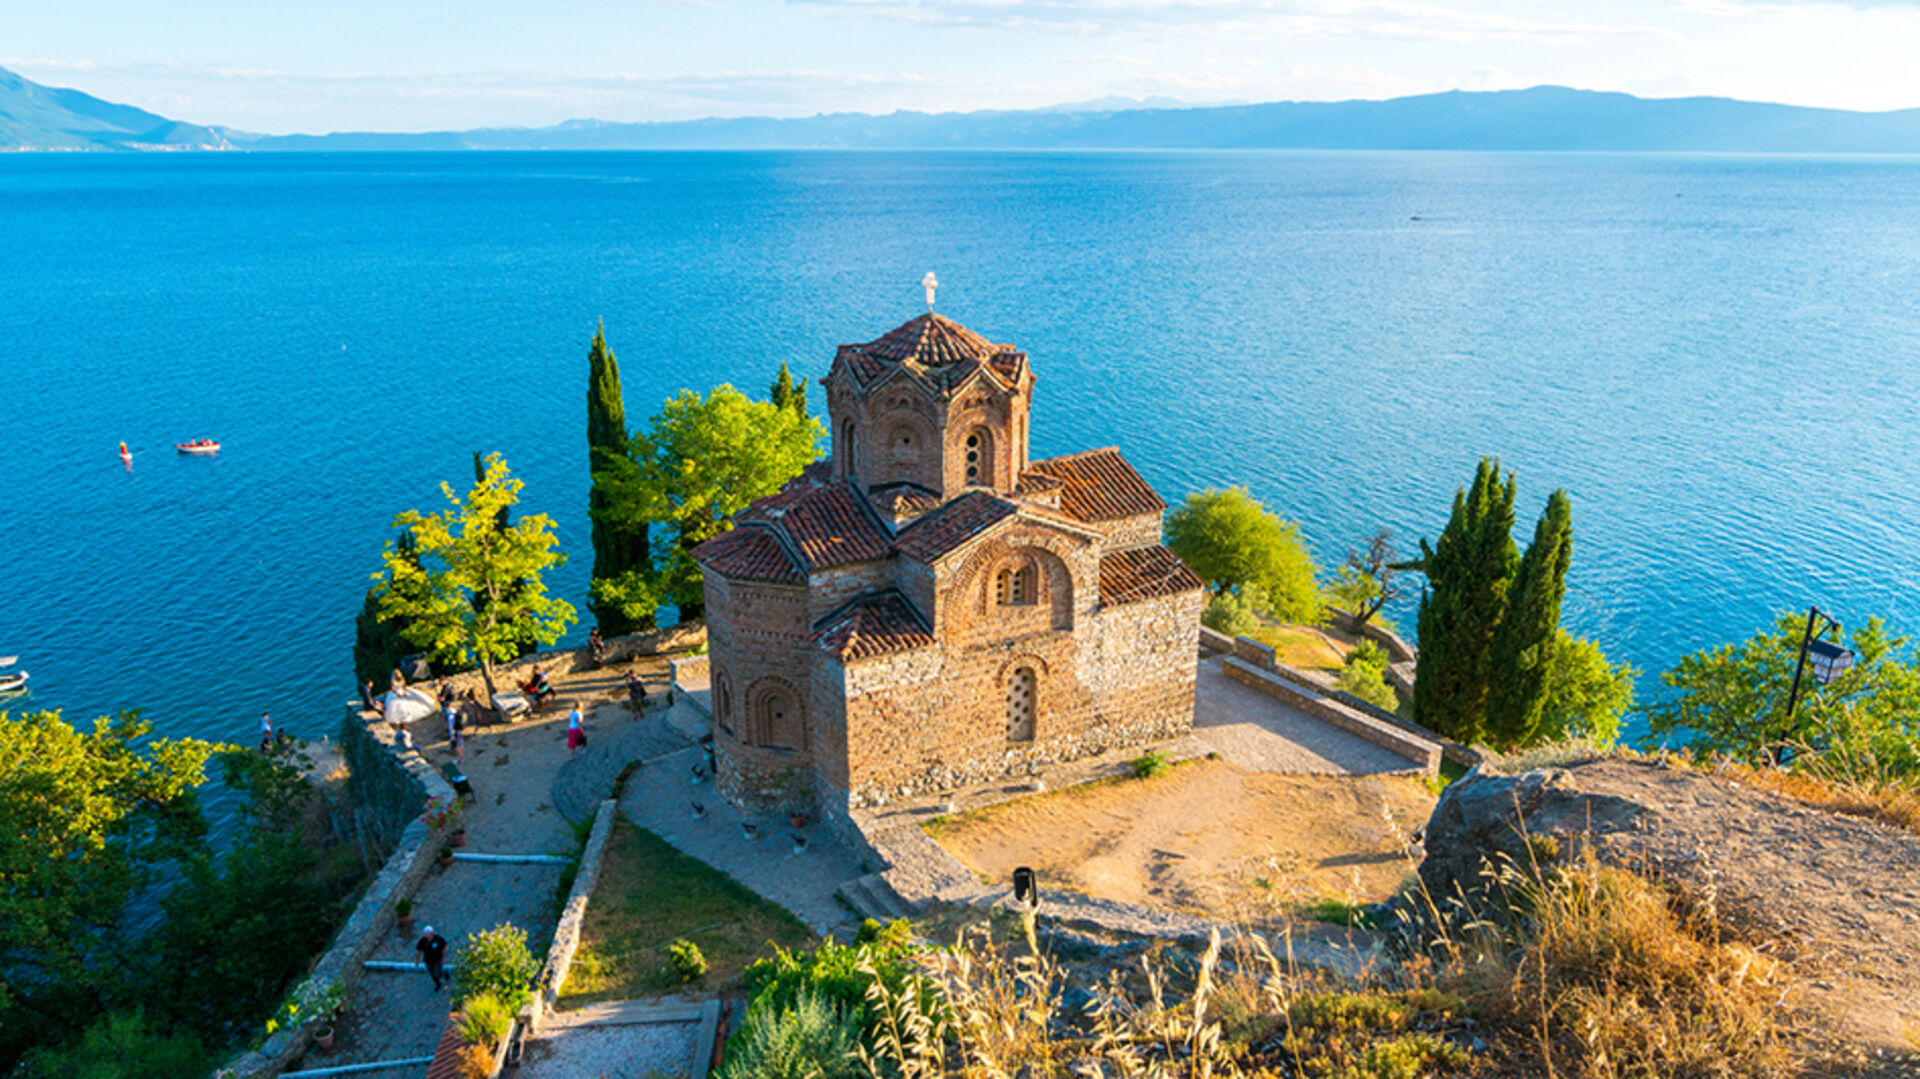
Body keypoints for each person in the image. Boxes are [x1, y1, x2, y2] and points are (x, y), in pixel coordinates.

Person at [415, 926, 449, 991]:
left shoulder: (438, 939)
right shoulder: (422, 941)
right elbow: (418, 951)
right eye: (426, 933)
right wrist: (417, 960)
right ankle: (438, 984)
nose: (428, 935)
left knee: (438, 973)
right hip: (428, 961)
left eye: (429, 933)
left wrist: (443, 957)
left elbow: (444, 948)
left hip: (437, 960)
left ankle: (444, 973)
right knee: (432, 974)